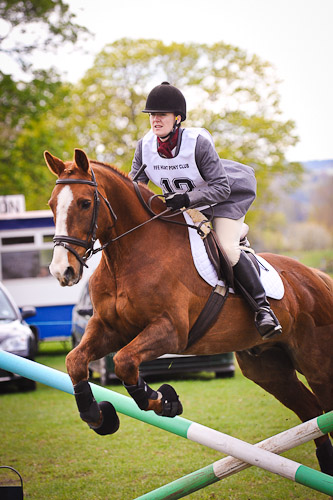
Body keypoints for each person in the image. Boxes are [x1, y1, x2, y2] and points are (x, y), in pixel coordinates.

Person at [130, 81, 282, 339]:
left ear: (177, 118)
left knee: (226, 247)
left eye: (162, 115)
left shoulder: (197, 144)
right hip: (190, 205)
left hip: (226, 197)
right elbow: (135, 189)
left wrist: (185, 199)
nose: (155, 120)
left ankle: (263, 310)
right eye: (152, 115)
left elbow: (221, 188)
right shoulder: (145, 148)